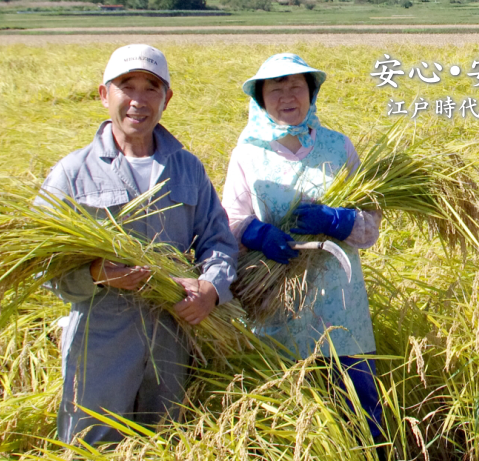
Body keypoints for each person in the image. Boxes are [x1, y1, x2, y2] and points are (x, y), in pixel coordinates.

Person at [39, 44, 239, 445]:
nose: (138, 100)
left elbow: (219, 240)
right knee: (91, 443)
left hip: (172, 331)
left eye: (151, 87)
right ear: (103, 94)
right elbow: (43, 265)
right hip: (101, 336)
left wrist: (211, 290)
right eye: (125, 86)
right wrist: (99, 275)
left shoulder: (187, 167)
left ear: (167, 98)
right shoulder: (73, 173)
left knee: (165, 439)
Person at [221, 53, 384, 441]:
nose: (287, 95)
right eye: (275, 88)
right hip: (276, 302)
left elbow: (373, 223)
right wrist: (257, 235)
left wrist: (338, 221)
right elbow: (228, 221)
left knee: (359, 414)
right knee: (288, 416)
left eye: (296, 86)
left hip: (340, 303)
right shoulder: (247, 153)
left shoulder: (337, 147)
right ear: (261, 98)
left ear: (311, 92)